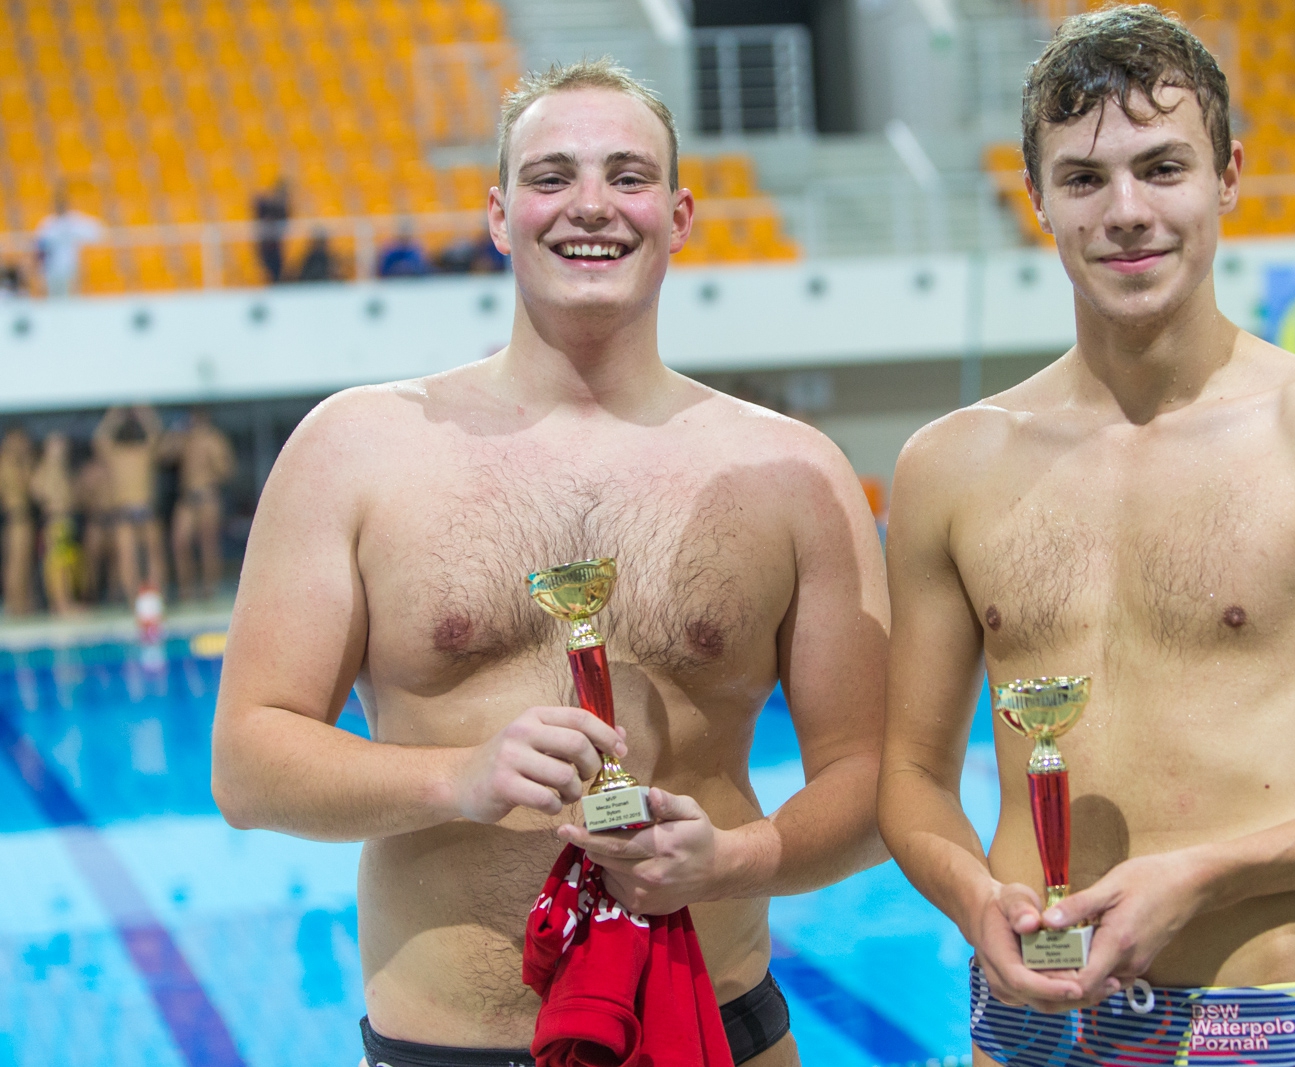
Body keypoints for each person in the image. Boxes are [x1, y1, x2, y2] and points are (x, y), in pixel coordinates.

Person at [876, 9, 1295, 1067]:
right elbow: (910, 774)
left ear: (1227, 175)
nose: (1127, 212)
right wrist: (973, 899)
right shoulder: (948, 466)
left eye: (1163, 166)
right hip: (1024, 1028)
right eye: (1086, 178)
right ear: (1036, 195)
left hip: (1262, 1019)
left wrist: (1211, 871)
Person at [211, 59, 889, 1067]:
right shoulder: (353, 450)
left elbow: (873, 781)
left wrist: (730, 859)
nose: (590, 206)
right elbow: (247, 764)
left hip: (719, 1032)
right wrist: (458, 775)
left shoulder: (791, 471)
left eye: (626, 174)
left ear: (679, 211)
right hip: (446, 1042)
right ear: (498, 213)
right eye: (550, 175)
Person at [94, 405, 167, 605]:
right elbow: (101, 438)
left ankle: (153, 598)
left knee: (149, 557)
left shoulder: (135, 452)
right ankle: (136, 602)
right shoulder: (125, 453)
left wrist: (136, 410)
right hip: (132, 512)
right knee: (130, 559)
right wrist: (120, 412)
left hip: (137, 511)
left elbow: (155, 432)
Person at [165, 408, 237, 601]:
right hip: (187, 498)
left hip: (207, 496)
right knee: (180, 543)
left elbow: (227, 472)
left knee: (208, 545)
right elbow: (163, 456)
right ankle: (186, 590)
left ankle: (209, 590)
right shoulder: (183, 439)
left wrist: (213, 460)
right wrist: (175, 433)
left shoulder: (214, 440)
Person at [30, 432, 81, 616]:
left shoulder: (62, 469)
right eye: (57, 444)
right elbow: (35, 491)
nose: (62, 447)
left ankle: (65, 602)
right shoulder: (45, 468)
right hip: (55, 522)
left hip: (64, 521)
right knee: (57, 567)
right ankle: (61, 605)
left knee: (66, 566)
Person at [34, 188, 104, 298]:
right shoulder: (48, 224)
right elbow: (39, 246)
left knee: (73, 298)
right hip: (51, 268)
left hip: (71, 266)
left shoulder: (74, 221)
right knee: (55, 297)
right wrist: (40, 268)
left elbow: (97, 232)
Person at [0, 428, 36, 615]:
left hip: (20, 517)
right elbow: (23, 487)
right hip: (16, 517)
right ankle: (15, 605)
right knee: (16, 564)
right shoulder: (6, 461)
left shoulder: (17, 461)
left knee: (20, 563)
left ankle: (20, 603)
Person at [74, 451, 115, 604]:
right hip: (96, 520)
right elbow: (79, 499)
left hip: (114, 519)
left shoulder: (114, 466)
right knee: (91, 563)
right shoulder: (87, 471)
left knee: (116, 561)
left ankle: (114, 596)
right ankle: (89, 598)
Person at [252, 177, 291, 284]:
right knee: (270, 270)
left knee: (277, 271)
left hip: (275, 246)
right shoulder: (268, 204)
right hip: (267, 246)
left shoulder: (282, 206)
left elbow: (286, 219)